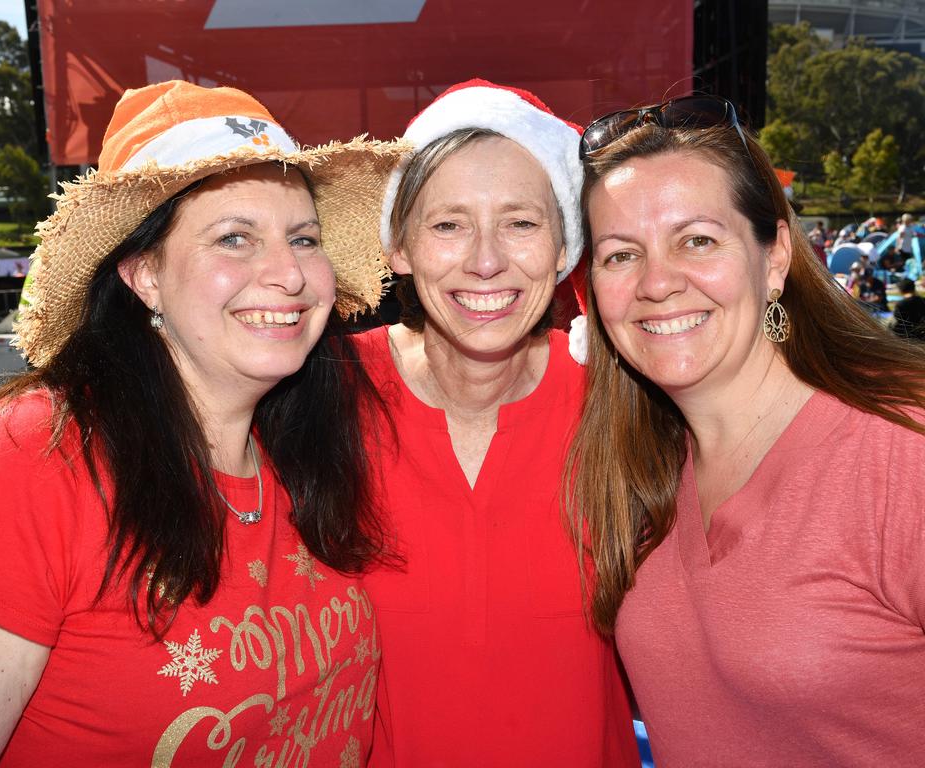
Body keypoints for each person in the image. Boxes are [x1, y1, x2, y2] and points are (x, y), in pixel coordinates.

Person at [0, 81, 408, 766]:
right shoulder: (37, 456)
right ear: (143, 276)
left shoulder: (304, 450)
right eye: (234, 238)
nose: (289, 273)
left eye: (303, 237)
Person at [566, 95, 925, 766]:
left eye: (697, 240)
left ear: (777, 256)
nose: (658, 283)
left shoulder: (901, 452)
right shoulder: (641, 466)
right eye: (620, 255)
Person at [356, 79, 638, 767]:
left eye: (520, 222)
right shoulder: (316, 398)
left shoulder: (626, 402)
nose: (486, 260)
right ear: (399, 247)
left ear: (565, 244)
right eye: (448, 224)